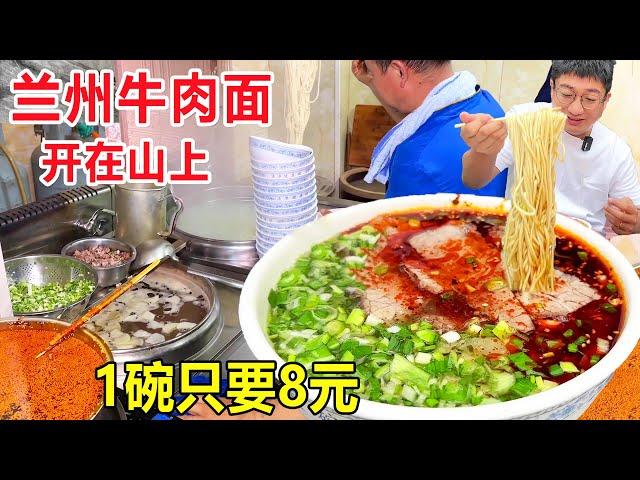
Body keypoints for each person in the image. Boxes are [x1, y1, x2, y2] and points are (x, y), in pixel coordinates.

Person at [459, 60, 640, 235]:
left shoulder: (617, 152)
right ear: (552, 88)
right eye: (567, 94)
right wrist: (483, 151)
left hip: (583, 248)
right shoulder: (523, 120)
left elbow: (635, 218)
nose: (576, 109)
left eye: (590, 99)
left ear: (606, 99)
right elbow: (473, 180)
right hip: (522, 237)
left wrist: (633, 222)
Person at [351, 60, 508, 198]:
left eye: (371, 71)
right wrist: (372, 81)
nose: (370, 74)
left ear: (399, 72)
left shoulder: (414, 163)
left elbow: (398, 230)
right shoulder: (487, 105)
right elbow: (417, 121)